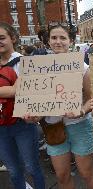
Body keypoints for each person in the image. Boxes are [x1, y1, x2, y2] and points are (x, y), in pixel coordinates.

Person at [30, 22, 93, 189]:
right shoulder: (39, 68)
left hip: (80, 126)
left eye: (63, 37)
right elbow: (36, 104)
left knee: (86, 172)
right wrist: (34, 115)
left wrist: (81, 111)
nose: (58, 41)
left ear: (71, 41)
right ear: (48, 41)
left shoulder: (83, 68)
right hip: (54, 128)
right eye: (54, 38)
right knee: (62, 175)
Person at [0, 22, 45, 189]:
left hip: (22, 124)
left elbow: (19, 91)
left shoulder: (24, 62)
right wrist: (11, 90)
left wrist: (12, 90)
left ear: (13, 38)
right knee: (13, 170)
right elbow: (13, 90)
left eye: (2, 38)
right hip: (1, 127)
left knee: (32, 167)